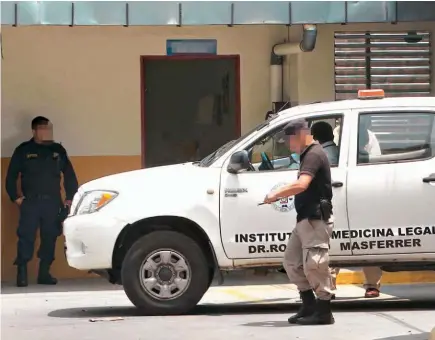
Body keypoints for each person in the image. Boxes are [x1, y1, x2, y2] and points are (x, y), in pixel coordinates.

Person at [263, 119, 335, 325]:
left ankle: (323, 311)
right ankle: (309, 304)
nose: (288, 144)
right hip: (305, 219)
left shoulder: (313, 154)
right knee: (292, 262)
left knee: (315, 264)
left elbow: (302, 184)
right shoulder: (306, 154)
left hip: (315, 218)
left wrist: (276, 194)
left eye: (289, 139)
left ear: (300, 134)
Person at [5, 116, 79, 287]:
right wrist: (16, 198)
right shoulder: (23, 150)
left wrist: (69, 199)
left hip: (52, 203)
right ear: (34, 131)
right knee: (26, 237)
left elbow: (69, 176)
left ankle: (44, 273)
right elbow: (11, 176)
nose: (47, 132)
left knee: (50, 237)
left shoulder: (58, 150)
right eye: (43, 128)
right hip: (30, 202)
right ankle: (22, 272)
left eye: (49, 128)